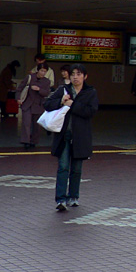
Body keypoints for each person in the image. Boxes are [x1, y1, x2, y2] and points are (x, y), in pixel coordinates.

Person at [44, 63, 98, 211]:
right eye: (73, 74)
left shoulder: (90, 92)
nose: (75, 77)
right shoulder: (63, 90)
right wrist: (61, 101)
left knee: (76, 169)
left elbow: (90, 112)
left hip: (80, 137)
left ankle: (74, 196)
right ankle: (60, 199)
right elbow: (47, 104)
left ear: (85, 76)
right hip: (63, 135)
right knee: (63, 167)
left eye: (79, 74)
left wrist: (73, 104)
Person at [16, 64, 51, 149]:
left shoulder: (46, 81)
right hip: (27, 103)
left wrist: (39, 90)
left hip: (39, 105)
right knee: (26, 123)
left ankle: (34, 141)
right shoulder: (30, 77)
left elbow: (46, 93)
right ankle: (26, 141)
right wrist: (18, 98)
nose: (43, 73)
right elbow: (20, 88)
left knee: (36, 125)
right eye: (42, 71)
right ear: (38, 70)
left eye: (45, 71)